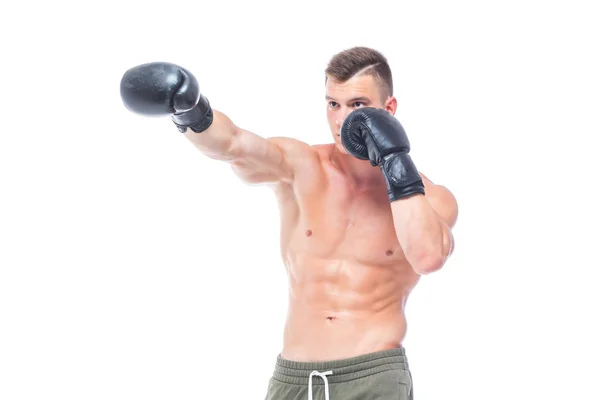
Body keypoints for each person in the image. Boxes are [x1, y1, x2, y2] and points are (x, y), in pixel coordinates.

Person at [120, 46, 458, 400]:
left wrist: (394, 160)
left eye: (358, 105)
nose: (342, 120)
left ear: (389, 109)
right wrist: (191, 109)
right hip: (293, 380)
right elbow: (234, 143)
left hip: (373, 379)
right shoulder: (303, 166)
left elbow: (427, 256)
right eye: (333, 104)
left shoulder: (431, 197)